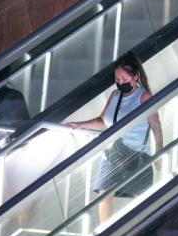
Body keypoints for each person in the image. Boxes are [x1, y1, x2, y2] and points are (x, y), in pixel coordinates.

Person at [67, 52, 163, 223]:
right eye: (117, 80)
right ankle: (107, 232)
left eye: (124, 79)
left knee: (139, 202)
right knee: (104, 193)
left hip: (135, 155)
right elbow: (103, 121)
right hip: (113, 153)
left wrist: (159, 153)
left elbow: (156, 127)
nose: (120, 83)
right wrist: (80, 125)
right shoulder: (115, 96)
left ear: (135, 77)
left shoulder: (144, 97)